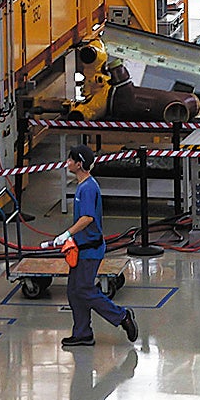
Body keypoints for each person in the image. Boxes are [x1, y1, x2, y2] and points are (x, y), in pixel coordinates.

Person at [53, 148, 138, 350]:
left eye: (71, 159)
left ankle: (122, 316)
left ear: (79, 164)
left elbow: (88, 218)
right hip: (80, 248)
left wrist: (67, 234)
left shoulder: (88, 188)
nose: (67, 162)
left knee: (84, 289)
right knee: (74, 291)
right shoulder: (82, 186)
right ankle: (82, 333)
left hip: (90, 250)